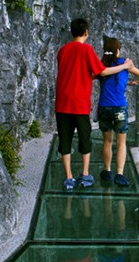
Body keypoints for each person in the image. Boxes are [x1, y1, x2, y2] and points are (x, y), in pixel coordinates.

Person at [55, 18, 133, 191]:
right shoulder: (86, 49)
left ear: (71, 31)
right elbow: (102, 71)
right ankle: (85, 174)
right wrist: (124, 66)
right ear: (86, 32)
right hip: (80, 103)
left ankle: (68, 177)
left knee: (65, 140)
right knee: (85, 139)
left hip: (62, 103)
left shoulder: (62, 50)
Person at [98, 37, 139, 187]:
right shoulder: (124, 63)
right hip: (119, 107)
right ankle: (119, 173)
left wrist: (129, 82)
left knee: (107, 140)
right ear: (117, 50)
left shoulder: (102, 65)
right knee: (121, 143)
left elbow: (109, 80)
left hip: (104, 107)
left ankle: (107, 171)